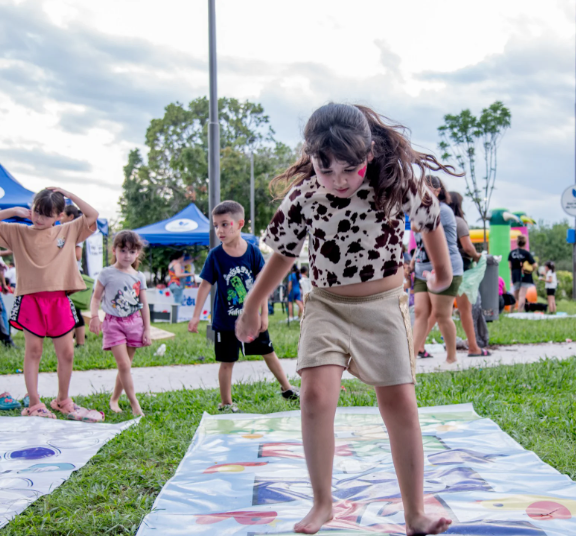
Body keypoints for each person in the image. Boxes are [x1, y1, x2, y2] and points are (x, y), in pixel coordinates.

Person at [235, 103, 455, 535]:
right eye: (327, 169)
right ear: (312, 157)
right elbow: (283, 255)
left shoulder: (393, 182)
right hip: (327, 306)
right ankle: (322, 503)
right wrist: (252, 305)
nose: (339, 180)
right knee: (315, 396)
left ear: (368, 153)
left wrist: (443, 272)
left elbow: (430, 219)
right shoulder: (304, 197)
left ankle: (414, 513)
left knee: (400, 403)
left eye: (350, 169)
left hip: (383, 306)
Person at [0, 188, 103, 422]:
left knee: (67, 353)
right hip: (31, 300)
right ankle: (34, 403)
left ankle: (62, 400)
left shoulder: (68, 230)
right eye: (36, 211)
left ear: (59, 215)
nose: (39, 218)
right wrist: (14, 211)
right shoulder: (18, 231)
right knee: (33, 351)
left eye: (46, 215)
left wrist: (69, 194)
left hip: (59, 300)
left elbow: (92, 215)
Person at [187, 201, 299, 412]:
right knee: (227, 362)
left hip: (251, 320)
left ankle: (287, 389)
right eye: (216, 225)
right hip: (225, 322)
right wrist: (195, 316)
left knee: (268, 352)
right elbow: (205, 286)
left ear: (240, 224)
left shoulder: (253, 253)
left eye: (225, 224)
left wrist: (264, 315)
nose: (219, 230)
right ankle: (226, 403)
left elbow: (262, 285)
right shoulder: (215, 256)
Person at [89, 231, 150, 417]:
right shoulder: (106, 273)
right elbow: (95, 298)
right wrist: (94, 316)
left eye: (131, 251)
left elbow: (144, 304)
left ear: (137, 253)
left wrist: (147, 329)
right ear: (114, 250)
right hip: (113, 324)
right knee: (123, 365)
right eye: (123, 250)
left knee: (126, 366)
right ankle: (134, 404)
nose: (127, 255)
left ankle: (114, 399)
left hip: (134, 323)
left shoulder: (139, 276)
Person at [412, 175, 464, 364]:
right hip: (421, 270)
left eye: (426, 188)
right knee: (420, 313)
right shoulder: (417, 210)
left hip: (445, 269)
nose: (421, 192)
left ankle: (451, 358)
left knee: (442, 315)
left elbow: (420, 226)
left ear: (437, 191)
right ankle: (410, 360)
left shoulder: (444, 211)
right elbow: (420, 241)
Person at [447, 191, 489, 356]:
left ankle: (418, 347)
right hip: (460, 268)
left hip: (441, 267)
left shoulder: (438, 220)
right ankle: (473, 347)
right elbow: (467, 247)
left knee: (440, 310)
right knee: (465, 309)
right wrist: (478, 256)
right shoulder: (458, 222)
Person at [63, 205, 87, 347]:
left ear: (70, 217)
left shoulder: (76, 233)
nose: (60, 217)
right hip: (68, 274)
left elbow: (78, 256)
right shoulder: (67, 232)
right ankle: (76, 341)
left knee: (73, 309)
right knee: (71, 309)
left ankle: (79, 342)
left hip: (74, 274)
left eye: (63, 215)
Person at [508, 235, 536, 311]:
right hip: (525, 275)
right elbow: (534, 265)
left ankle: (511, 311)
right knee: (522, 295)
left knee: (515, 294)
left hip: (515, 275)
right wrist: (530, 270)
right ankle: (520, 312)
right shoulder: (526, 253)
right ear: (525, 243)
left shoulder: (512, 253)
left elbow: (510, 266)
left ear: (517, 242)